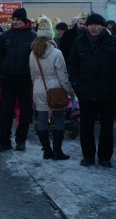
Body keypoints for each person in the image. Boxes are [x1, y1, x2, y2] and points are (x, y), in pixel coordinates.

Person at [67, 13, 116, 168]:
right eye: (90, 24)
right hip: (86, 91)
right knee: (86, 126)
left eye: (97, 24)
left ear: (103, 26)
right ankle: (88, 156)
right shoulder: (79, 42)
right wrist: (76, 84)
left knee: (107, 126)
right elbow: (72, 65)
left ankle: (105, 157)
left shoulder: (114, 42)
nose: (93, 27)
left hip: (108, 91)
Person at [0, 7, 37, 153]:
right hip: (8, 79)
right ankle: (4, 141)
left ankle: (21, 140)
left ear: (24, 20)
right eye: (14, 19)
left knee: (25, 111)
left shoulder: (33, 36)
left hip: (25, 80)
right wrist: (0, 72)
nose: (15, 22)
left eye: (18, 20)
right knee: (5, 111)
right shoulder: (5, 36)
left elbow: (37, 57)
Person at [30, 16, 74, 160]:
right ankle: (57, 151)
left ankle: (46, 150)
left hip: (38, 88)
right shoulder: (56, 53)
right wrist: (70, 92)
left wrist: (36, 87)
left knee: (41, 120)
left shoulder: (33, 53)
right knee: (59, 119)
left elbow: (32, 74)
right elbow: (63, 76)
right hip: (56, 90)